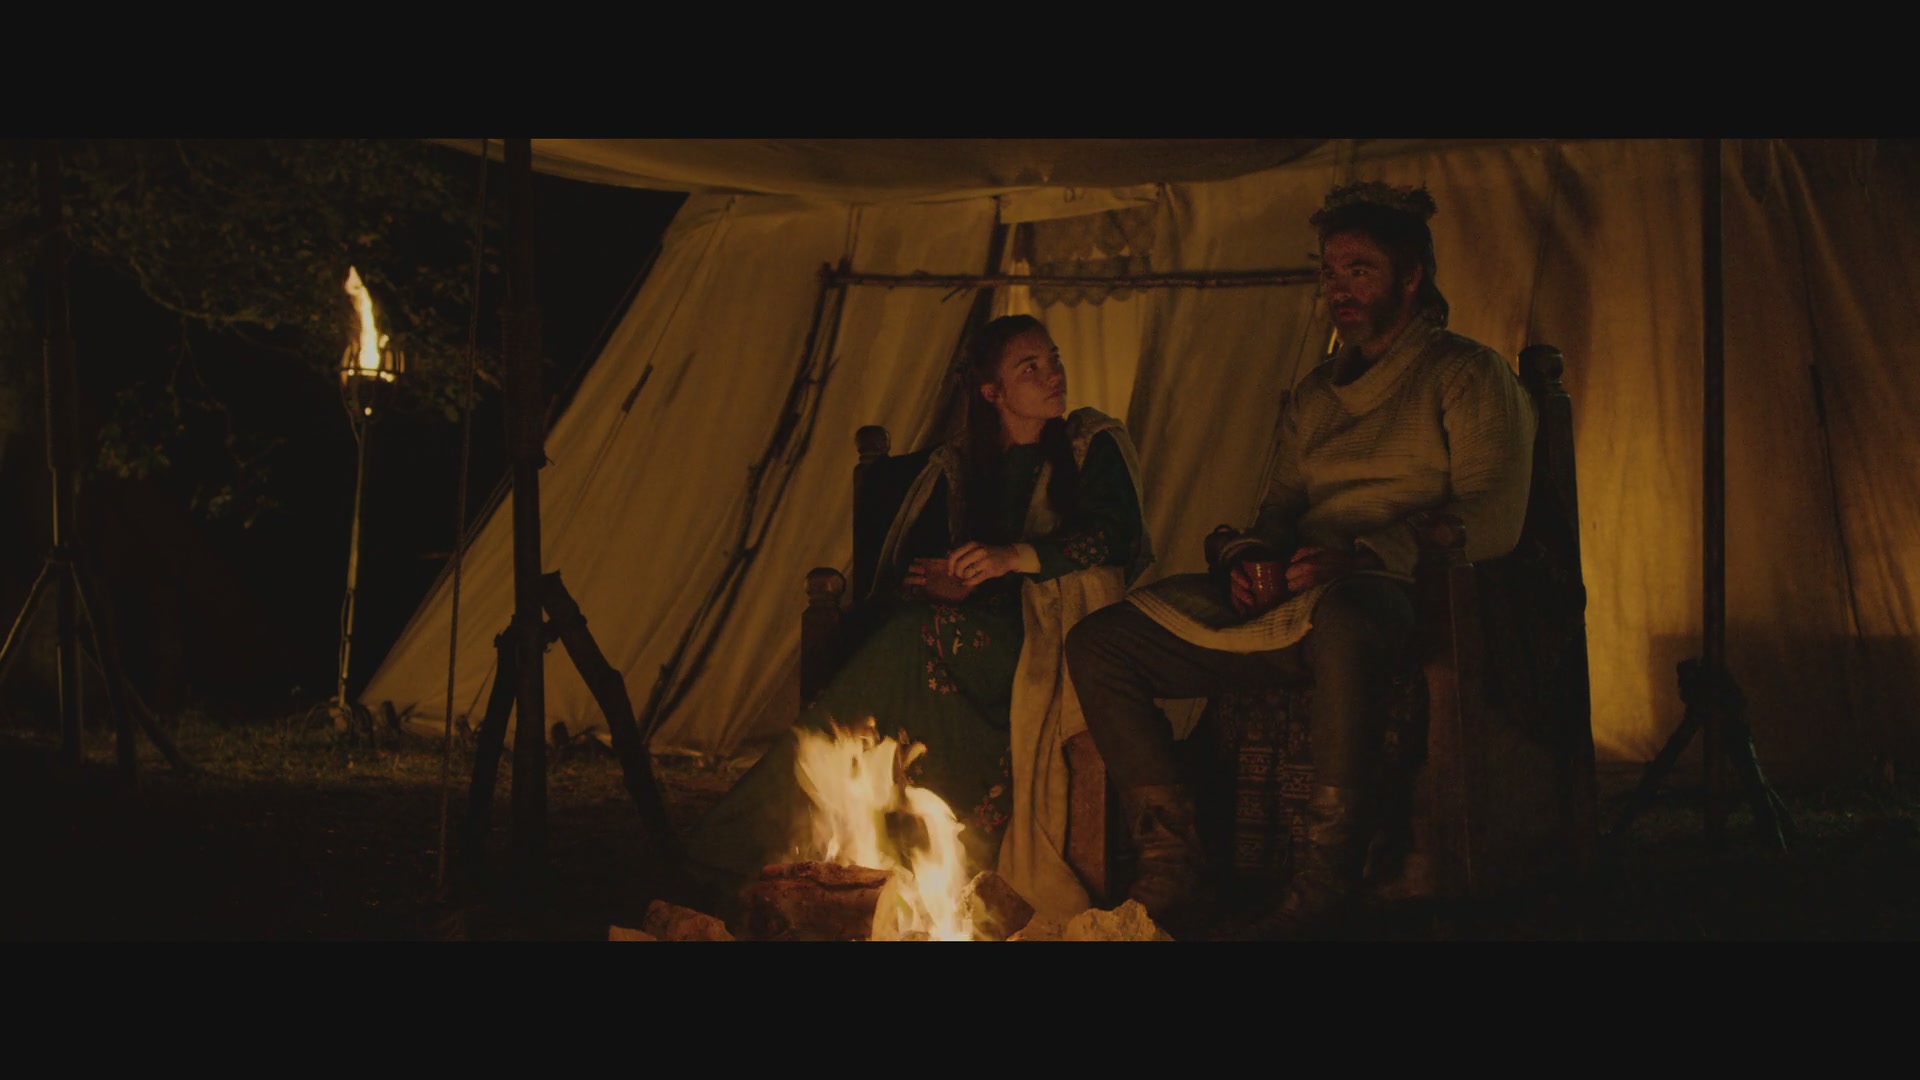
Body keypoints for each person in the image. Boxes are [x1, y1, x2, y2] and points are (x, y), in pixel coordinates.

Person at [1064, 181, 1537, 937]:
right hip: (1303, 591)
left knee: (1343, 622)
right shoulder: (1317, 395)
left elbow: (1493, 515)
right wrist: (1252, 559)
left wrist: (1362, 557)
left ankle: (1326, 878)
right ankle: (1173, 867)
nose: (1338, 288)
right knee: (1102, 643)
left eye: (1360, 269)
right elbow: (1279, 508)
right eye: (1330, 271)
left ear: (1411, 276)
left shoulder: (1466, 375)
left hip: (1398, 591)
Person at [685, 314, 1153, 918]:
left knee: (905, 646)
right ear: (993, 391)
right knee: (905, 638)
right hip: (978, 635)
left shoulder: (1092, 444)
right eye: (1030, 368)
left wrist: (1014, 557)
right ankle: (784, 847)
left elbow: (1115, 537)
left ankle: (728, 847)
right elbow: (933, 569)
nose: (1053, 375)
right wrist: (947, 584)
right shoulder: (965, 468)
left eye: (1054, 359)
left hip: (1051, 640)